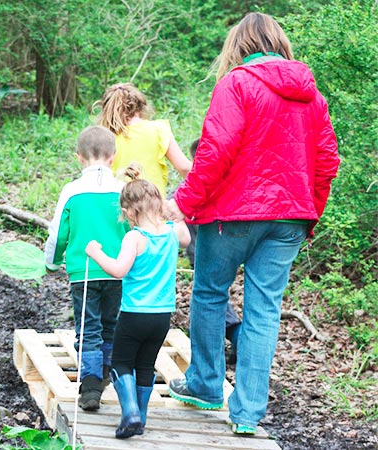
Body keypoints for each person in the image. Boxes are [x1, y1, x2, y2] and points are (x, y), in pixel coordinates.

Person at [167, 12, 340, 436]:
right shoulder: (312, 96)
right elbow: (327, 163)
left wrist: (184, 202)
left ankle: (206, 386)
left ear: (239, 46)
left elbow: (216, 151)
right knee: (265, 310)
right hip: (290, 218)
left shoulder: (237, 83)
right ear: (279, 43)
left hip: (233, 215)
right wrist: (307, 213)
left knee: (209, 292)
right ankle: (246, 414)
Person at [85, 165, 190, 439]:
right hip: (162, 316)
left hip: (133, 314)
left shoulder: (135, 237)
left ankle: (129, 413)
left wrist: (96, 253)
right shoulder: (171, 233)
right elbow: (187, 236)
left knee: (121, 363)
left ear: (129, 212)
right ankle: (140, 420)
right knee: (145, 365)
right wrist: (170, 214)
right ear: (158, 204)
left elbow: (119, 270)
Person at [44, 125, 130, 411]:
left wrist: (52, 262)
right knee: (111, 325)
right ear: (113, 157)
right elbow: (134, 229)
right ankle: (105, 371)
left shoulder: (72, 191)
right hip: (117, 271)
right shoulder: (122, 191)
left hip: (84, 273)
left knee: (88, 327)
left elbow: (59, 233)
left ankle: (91, 384)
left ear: (79, 157)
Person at [178, 138, 242, 359]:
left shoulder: (195, 188)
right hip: (226, 248)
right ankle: (233, 338)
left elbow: (172, 202)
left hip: (205, 252)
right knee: (215, 295)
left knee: (210, 298)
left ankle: (233, 336)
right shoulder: (228, 185)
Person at [93, 82, 192, 197]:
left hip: (118, 205)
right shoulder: (158, 129)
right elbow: (184, 168)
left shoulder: (105, 137)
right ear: (141, 107)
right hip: (153, 207)